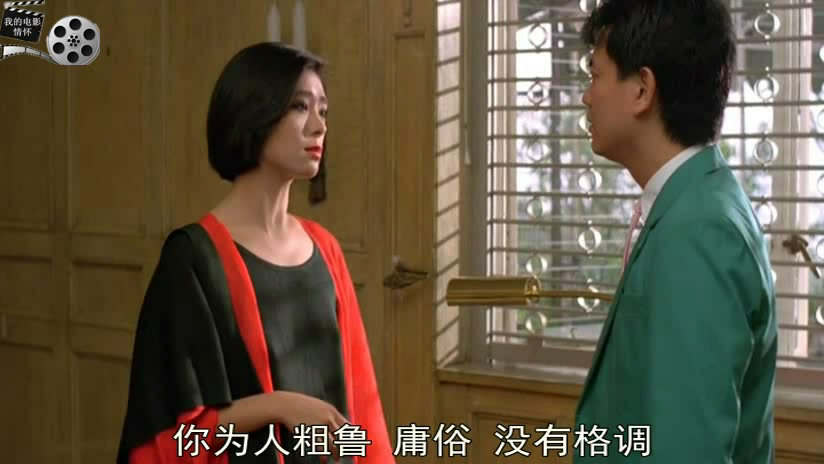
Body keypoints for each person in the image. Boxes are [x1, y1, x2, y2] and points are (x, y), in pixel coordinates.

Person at [117, 42, 394, 464]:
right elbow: (172, 435)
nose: (319, 126)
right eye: (300, 107)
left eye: (323, 110)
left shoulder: (325, 249)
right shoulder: (193, 259)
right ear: (253, 113)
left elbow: (365, 409)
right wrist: (278, 406)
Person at [574, 1, 777, 462]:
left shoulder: (698, 232)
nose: (586, 96)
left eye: (596, 75)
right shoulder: (696, 204)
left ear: (642, 90)